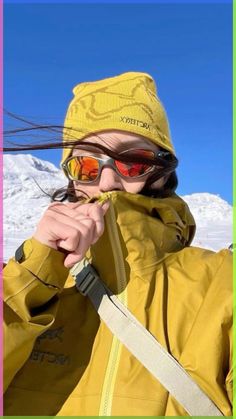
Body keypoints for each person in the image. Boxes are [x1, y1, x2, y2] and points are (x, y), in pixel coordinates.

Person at [3, 72, 232, 416]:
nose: (108, 180)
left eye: (133, 161)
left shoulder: (221, 283)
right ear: (70, 175)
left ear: (162, 170)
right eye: (86, 165)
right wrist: (31, 279)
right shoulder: (24, 285)